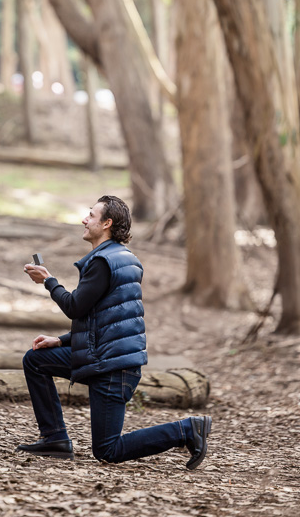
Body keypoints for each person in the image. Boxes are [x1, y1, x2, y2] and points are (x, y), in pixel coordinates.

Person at [17, 195, 212, 469]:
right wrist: (60, 340)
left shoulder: (102, 262)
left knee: (108, 450)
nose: (85, 220)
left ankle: (186, 430)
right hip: (109, 358)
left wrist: (49, 281)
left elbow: (74, 307)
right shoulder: (124, 258)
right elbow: (106, 320)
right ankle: (55, 439)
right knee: (36, 360)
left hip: (111, 368)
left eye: (92, 216)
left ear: (107, 223)